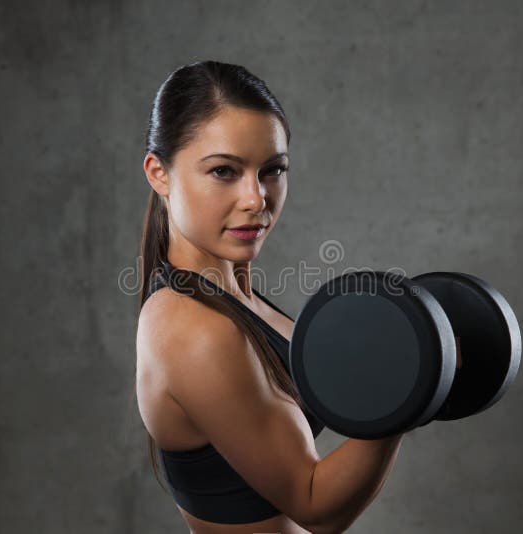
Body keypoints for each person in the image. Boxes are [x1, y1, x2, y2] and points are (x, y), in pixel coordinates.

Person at [135, 60, 404, 533]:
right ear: (159, 173)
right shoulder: (193, 326)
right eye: (223, 171)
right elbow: (316, 504)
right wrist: (410, 391)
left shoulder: (235, 300)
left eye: (272, 170)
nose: (256, 198)